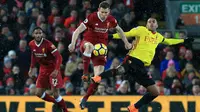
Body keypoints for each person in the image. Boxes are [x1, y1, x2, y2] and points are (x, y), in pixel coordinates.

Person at [88, 18, 193, 112]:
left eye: (153, 22)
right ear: (146, 25)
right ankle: (98, 77)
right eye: (149, 22)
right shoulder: (141, 30)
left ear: (157, 25)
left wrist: (183, 40)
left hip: (141, 67)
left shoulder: (158, 36)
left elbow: (169, 41)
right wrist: (110, 36)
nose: (151, 23)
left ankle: (134, 107)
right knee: (120, 70)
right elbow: (126, 34)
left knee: (155, 92)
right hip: (133, 59)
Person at [68, 1, 132, 109]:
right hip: (87, 43)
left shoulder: (110, 19)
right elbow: (77, 31)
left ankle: (84, 98)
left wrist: (126, 42)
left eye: (106, 12)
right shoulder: (92, 17)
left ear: (109, 12)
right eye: (102, 12)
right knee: (89, 47)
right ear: (98, 10)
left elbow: (120, 30)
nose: (104, 15)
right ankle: (85, 73)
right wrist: (73, 43)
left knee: (98, 77)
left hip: (101, 50)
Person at [28, 27, 68, 112]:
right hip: (43, 69)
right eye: (36, 33)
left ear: (42, 34)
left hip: (53, 69)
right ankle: (56, 103)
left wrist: (56, 70)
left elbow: (59, 57)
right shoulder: (31, 44)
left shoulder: (48, 44)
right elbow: (33, 55)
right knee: (38, 93)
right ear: (33, 35)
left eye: (40, 33)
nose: (38, 35)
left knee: (55, 93)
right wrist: (31, 67)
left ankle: (65, 110)